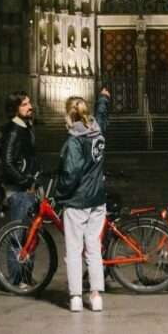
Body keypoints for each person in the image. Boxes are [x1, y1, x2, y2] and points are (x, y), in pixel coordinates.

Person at [54, 88, 110, 313]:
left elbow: (70, 175)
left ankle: (76, 296)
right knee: (94, 248)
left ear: (69, 115)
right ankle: (96, 296)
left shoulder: (73, 142)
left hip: (77, 202)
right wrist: (104, 98)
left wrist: (59, 195)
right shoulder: (98, 131)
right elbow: (103, 116)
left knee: (74, 250)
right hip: (97, 198)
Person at [0, 92, 42, 286]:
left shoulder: (27, 126)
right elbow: (7, 163)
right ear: (15, 108)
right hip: (20, 189)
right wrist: (25, 181)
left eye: (29, 102)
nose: (29, 106)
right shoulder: (13, 130)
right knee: (18, 235)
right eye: (25, 104)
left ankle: (25, 275)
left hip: (30, 187)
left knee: (31, 235)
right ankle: (16, 280)